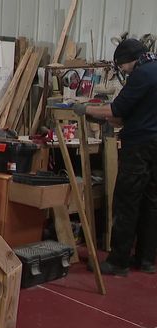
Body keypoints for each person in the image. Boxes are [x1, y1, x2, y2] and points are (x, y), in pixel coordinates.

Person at [74, 38, 157, 276]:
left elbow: (115, 111)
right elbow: (131, 112)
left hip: (140, 146)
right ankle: (146, 260)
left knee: (127, 201)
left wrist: (84, 109)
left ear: (129, 60)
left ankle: (118, 262)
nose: (122, 71)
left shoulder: (142, 74)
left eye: (122, 66)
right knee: (151, 202)